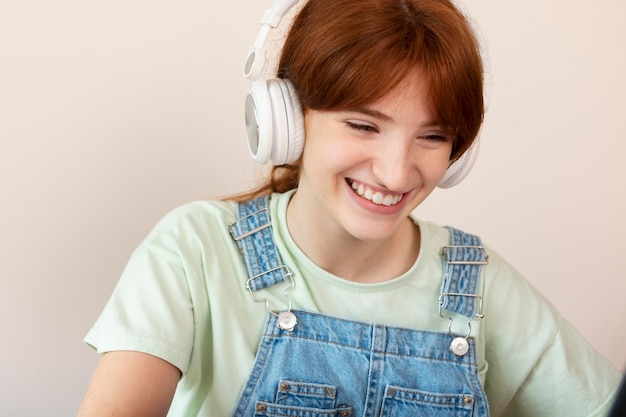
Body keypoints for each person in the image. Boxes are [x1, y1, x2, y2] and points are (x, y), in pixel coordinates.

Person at [77, 0, 622, 416]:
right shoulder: (193, 250)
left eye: (431, 137)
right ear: (287, 119)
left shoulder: (478, 285)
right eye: (363, 125)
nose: (395, 171)